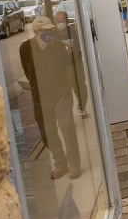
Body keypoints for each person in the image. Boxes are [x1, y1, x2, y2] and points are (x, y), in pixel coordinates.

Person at [20, 16, 85, 179]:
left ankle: (74, 163)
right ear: (37, 32)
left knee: (67, 127)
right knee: (47, 132)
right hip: (40, 97)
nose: (49, 33)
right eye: (45, 31)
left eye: (50, 30)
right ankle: (60, 163)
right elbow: (28, 73)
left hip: (61, 92)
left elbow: (65, 67)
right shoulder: (25, 48)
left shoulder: (57, 46)